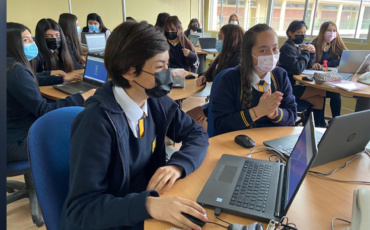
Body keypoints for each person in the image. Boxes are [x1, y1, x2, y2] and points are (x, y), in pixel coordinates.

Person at [59, 21, 209, 230]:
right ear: (129, 71)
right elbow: (81, 210)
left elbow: (197, 134)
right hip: (114, 218)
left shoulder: (155, 100)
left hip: (141, 205)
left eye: (168, 65)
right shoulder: (95, 124)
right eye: (160, 67)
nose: (169, 74)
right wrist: (148, 205)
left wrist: (177, 165)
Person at [6, 22, 95, 163]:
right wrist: (83, 96)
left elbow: (32, 79)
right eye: (25, 40)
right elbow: (44, 110)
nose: (31, 43)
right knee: (79, 134)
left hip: (11, 133)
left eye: (31, 38)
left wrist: (59, 78)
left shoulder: (9, 65)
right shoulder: (16, 71)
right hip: (15, 143)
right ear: (11, 43)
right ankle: (55, 182)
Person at [212, 24, 297, 136]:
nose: (271, 55)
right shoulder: (230, 78)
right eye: (263, 50)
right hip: (238, 143)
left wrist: (274, 113)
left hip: (273, 142)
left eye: (275, 48)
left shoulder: (280, 75)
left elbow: (292, 115)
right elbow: (221, 123)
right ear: (248, 52)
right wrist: (257, 112)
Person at [278, 20, 327, 127]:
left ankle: (314, 128)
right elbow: (298, 69)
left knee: (319, 100)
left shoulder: (298, 46)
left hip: (296, 85)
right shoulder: (287, 48)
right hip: (288, 88)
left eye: (304, 33)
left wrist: (312, 53)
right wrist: (306, 52)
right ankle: (317, 126)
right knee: (322, 92)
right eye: (299, 33)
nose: (302, 35)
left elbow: (308, 65)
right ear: (290, 33)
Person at [310, 21, 344, 119]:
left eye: (334, 30)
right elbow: (309, 61)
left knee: (336, 94)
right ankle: (320, 123)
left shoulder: (337, 43)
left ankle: (335, 120)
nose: (332, 33)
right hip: (316, 79)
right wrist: (315, 64)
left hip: (330, 77)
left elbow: (344, 58)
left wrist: (329, 64)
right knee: (321, 94)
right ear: (323, 31)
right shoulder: (315, 43)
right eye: (329, 30)